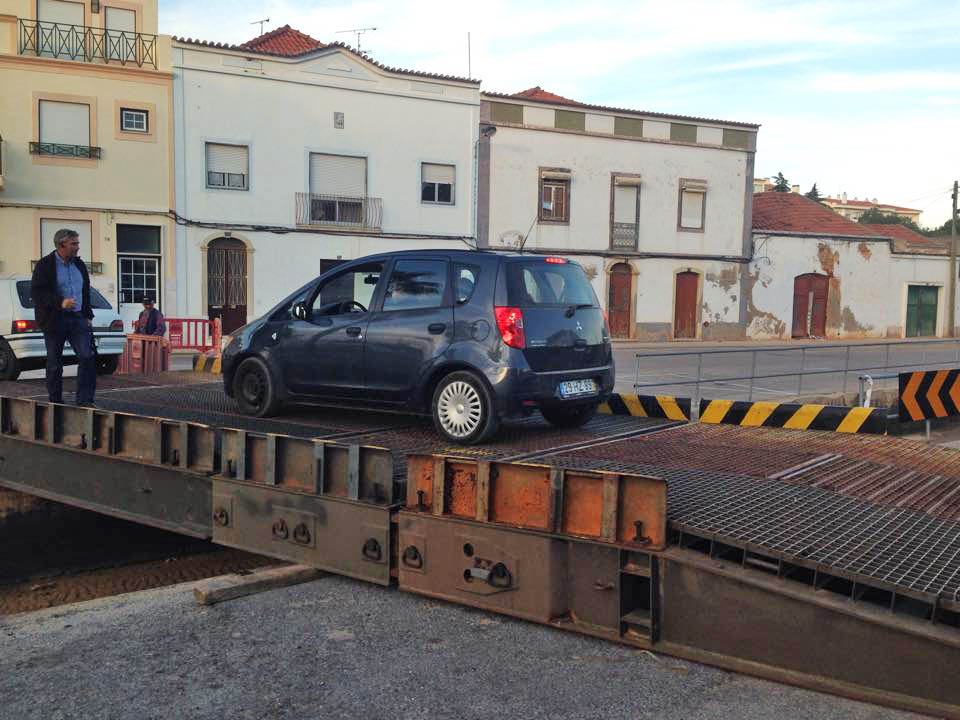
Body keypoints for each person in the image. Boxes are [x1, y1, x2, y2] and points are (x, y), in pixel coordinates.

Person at [30, 228, 96, 406]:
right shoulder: (45, 265)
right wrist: (60, 302)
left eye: (77, 243)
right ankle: (55, 401)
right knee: (54, 362)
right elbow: (37, 293)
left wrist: (88, 315)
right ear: (61, 245)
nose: (77, 247)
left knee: (87, 357)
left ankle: (85, 401)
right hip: (54, 320)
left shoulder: (79, 265)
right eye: (74, 244)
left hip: (78, 319)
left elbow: (85, 291)